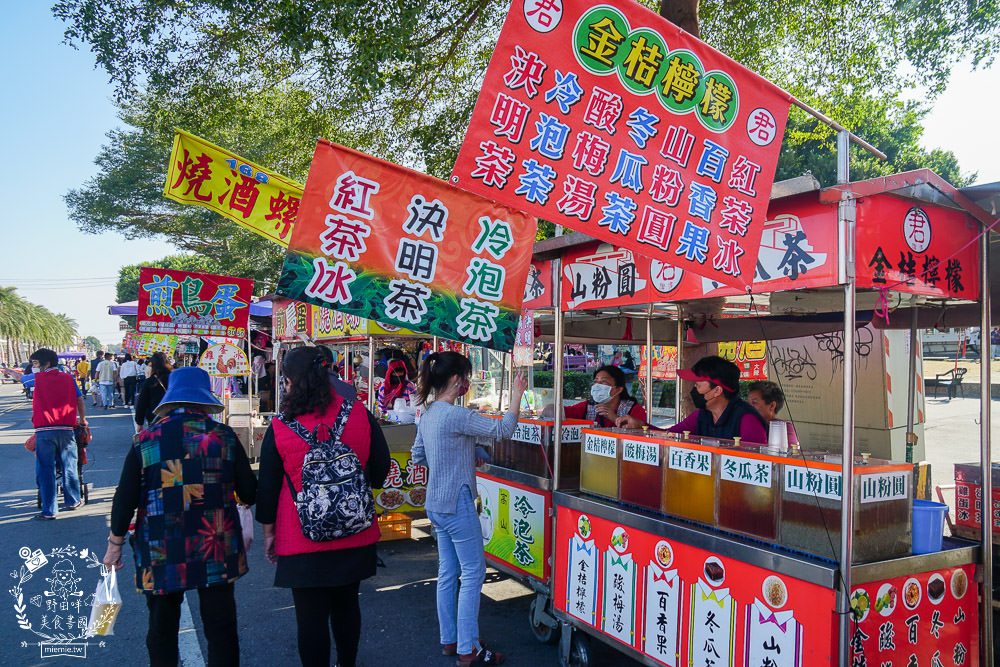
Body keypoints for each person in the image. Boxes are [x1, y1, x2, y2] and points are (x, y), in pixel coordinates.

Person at [102, 366, 256, 667]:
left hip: (162, 545)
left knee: (162, 627)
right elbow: (250, 492)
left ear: (170, 400)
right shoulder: (224, 437)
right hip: (216, 543)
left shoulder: (144, 440)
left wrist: (114, 544)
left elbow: (125, 498)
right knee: (221, 626)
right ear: (204, 401)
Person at [256, 346, 390, 667]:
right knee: (347, 608)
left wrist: (269, 535)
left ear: (291, 382)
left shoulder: (280, 427)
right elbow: (381, 469)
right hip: (354, 533)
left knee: (310, 620)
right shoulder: (358, 412)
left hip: (300, 539)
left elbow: (268, 489)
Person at [411, 351, 527, 666]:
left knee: (448, 572)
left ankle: (451, 640)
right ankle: (468, 648)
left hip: (435, 503)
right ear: (455, 379)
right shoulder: (456, 414)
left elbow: (418, 455)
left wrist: (464, 449)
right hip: (458, 502)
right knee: (473, 573)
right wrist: (517, 394)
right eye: (466, 377)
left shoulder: (429, 412)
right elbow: (503, 430)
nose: (468, 383)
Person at [618, 356, 769, 443]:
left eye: (698, 385)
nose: (694, 390)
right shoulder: (701, 415)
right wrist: (640, 426)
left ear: (717, 390)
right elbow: (670, 435)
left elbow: (755, 461)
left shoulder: (747, 419)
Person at [29, 348, 87, 520]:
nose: (34, 367)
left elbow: (17, 377)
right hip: (67, 430)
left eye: (35, 364)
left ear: (46, 363)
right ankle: (73, 500)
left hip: (44, 431)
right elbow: (79, 399)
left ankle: (49, 510)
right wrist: (83, 419)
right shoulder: (69, 378)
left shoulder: (36, 378)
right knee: (69, 465)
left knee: (46, 470)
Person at [564, 365, 646, 428]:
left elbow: (645, 430)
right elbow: (563, 413)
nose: (598, 386)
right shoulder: (587, 406)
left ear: (618, 389)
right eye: (596, 382)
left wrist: (615, 418)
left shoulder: (634, 409)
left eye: (604, 382)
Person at [746, 380, 799, 446]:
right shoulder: (747, 424)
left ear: (772, 406)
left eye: (754, 402)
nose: (748, 407)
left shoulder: (783, 428)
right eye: (747, 403)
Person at [134, 352, 172, 431]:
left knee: (156, 441)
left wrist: (139, 422)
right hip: (174, 417)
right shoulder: (175, 379)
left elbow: (142, 403)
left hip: (155, 418)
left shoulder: (150, 382)